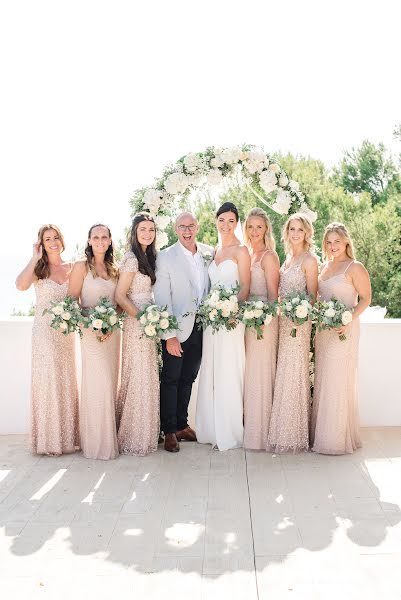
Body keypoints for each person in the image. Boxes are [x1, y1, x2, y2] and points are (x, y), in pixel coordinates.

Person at [15, 224, 79, 455]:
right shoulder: (39, 269)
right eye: (47, 239)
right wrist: (34, 258)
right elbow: (20, 285)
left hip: (66, 333)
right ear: (41, 244)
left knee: (65, 381)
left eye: (55, 238)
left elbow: (78, 300)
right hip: (43, 333)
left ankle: (66, 438)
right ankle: (48, 441)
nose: (53, 242)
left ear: (62, 241)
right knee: (48, 381)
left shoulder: (73, 268)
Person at [153, 212, 213, 452]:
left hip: (202, 327)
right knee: (171, 379)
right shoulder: (166, 257)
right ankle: (168, 431)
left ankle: (181, 425)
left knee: (189, 377)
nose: (187, 231)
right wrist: (169, 335)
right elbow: (162, 297)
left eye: (190, 226)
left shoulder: (208, 253)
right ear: (175, 229)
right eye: (181, 227)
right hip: (177, 330)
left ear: (197, 227)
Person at [311, 222, 371, 455]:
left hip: (344, 332)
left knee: (337, 380)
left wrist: (349, 319)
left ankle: (334, 440)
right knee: (325, 380)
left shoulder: (354, 267)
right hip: (324, 332)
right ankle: (322, 434)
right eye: (329, 242)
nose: (333, 246)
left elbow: (366, 299)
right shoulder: (324, 268)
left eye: (337, 241)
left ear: (346, 241)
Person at [196, 202, 250, 451]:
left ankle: (229, 431)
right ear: (215, 221)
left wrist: (229, 310)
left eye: (230, 221)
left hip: (231, 321)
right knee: (212, 370)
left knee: (229, 370)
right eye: (221, 220)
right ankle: (210, 429)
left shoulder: (241, 251)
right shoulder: (214, 250)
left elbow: (245, 289)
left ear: (236, 223)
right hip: (212, 322)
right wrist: (213, 308)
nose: (225, 225)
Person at [68, 224, 120, 460]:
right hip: (90, 332)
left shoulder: (114, 268)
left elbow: (119, 301)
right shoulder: (81, 266)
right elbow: (72, 302)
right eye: (95, 237)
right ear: (89, 241)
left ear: (110, 241)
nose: (100, 240)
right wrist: (90, 324)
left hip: (112, 333)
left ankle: (109, 439)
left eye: (104, 237)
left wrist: (111, 322)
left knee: (110, 382)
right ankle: (96, 444)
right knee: (97, 383)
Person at [267, 213, 318, 453]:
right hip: (283, 322)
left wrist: (299, 313)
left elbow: (313, 296)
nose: (295, 233)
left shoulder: (309, 260)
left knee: (294, 372)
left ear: (307, 233)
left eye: (300, 229)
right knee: (283, 372)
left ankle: (295, 436)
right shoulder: (287, 258)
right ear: (286, 232)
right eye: (292, 229)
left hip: (299, 323)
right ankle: (282, 430)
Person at [115, 213, 159, 456]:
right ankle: (133, 436)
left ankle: (146, 433)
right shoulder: (131, 259)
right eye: (143, 229)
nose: (147, 233)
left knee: (147, 375)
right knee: (138, 375)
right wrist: (143, 319)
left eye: (151, 230)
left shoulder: (151, 257)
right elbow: (120, 296)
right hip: (137, 322)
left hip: (150, 322)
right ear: (134, 232)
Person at [243, 207, 280, 450]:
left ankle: (261, 433)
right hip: (247, 322)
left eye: (259, 226)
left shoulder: (269, 257)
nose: (254, 231)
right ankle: (248, 428)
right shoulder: (246, 254)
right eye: (250, 226)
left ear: (266, 229)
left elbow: (274, 297)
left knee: (261, 373)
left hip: (263, 324)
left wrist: (262, 319)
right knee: (248, 374)